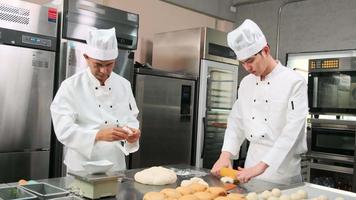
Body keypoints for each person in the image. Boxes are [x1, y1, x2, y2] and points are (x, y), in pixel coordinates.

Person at [211, 19, 308, 185]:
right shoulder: (246, 84)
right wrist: (224, 155)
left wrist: (261, 166)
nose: (247, 68)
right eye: (243, 63)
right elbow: (237, 122)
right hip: (249, 169)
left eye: (250, 61)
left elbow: (292, 130)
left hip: (282, 170)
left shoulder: (294, 82)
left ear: (266, 50)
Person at [51, 28, 140, 172]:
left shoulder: (124, 84)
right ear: (86, 57)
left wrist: (132, 134)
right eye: (98, 64)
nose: (104, 71)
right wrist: (97, 135)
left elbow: (131, 117)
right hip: (82, 167)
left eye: (109, 64)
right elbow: (63, 129)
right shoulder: (71, 86)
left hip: (115, 164)